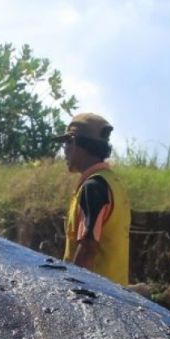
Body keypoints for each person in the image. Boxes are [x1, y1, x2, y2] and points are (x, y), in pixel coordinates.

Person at [53, 112, 132, 284]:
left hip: (94, 297)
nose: (64, 150)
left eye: (67, 142)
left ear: (75, 142)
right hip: (117, 296)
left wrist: (72, 289)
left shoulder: (93, 187)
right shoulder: (113, 183)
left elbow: (88, 247)